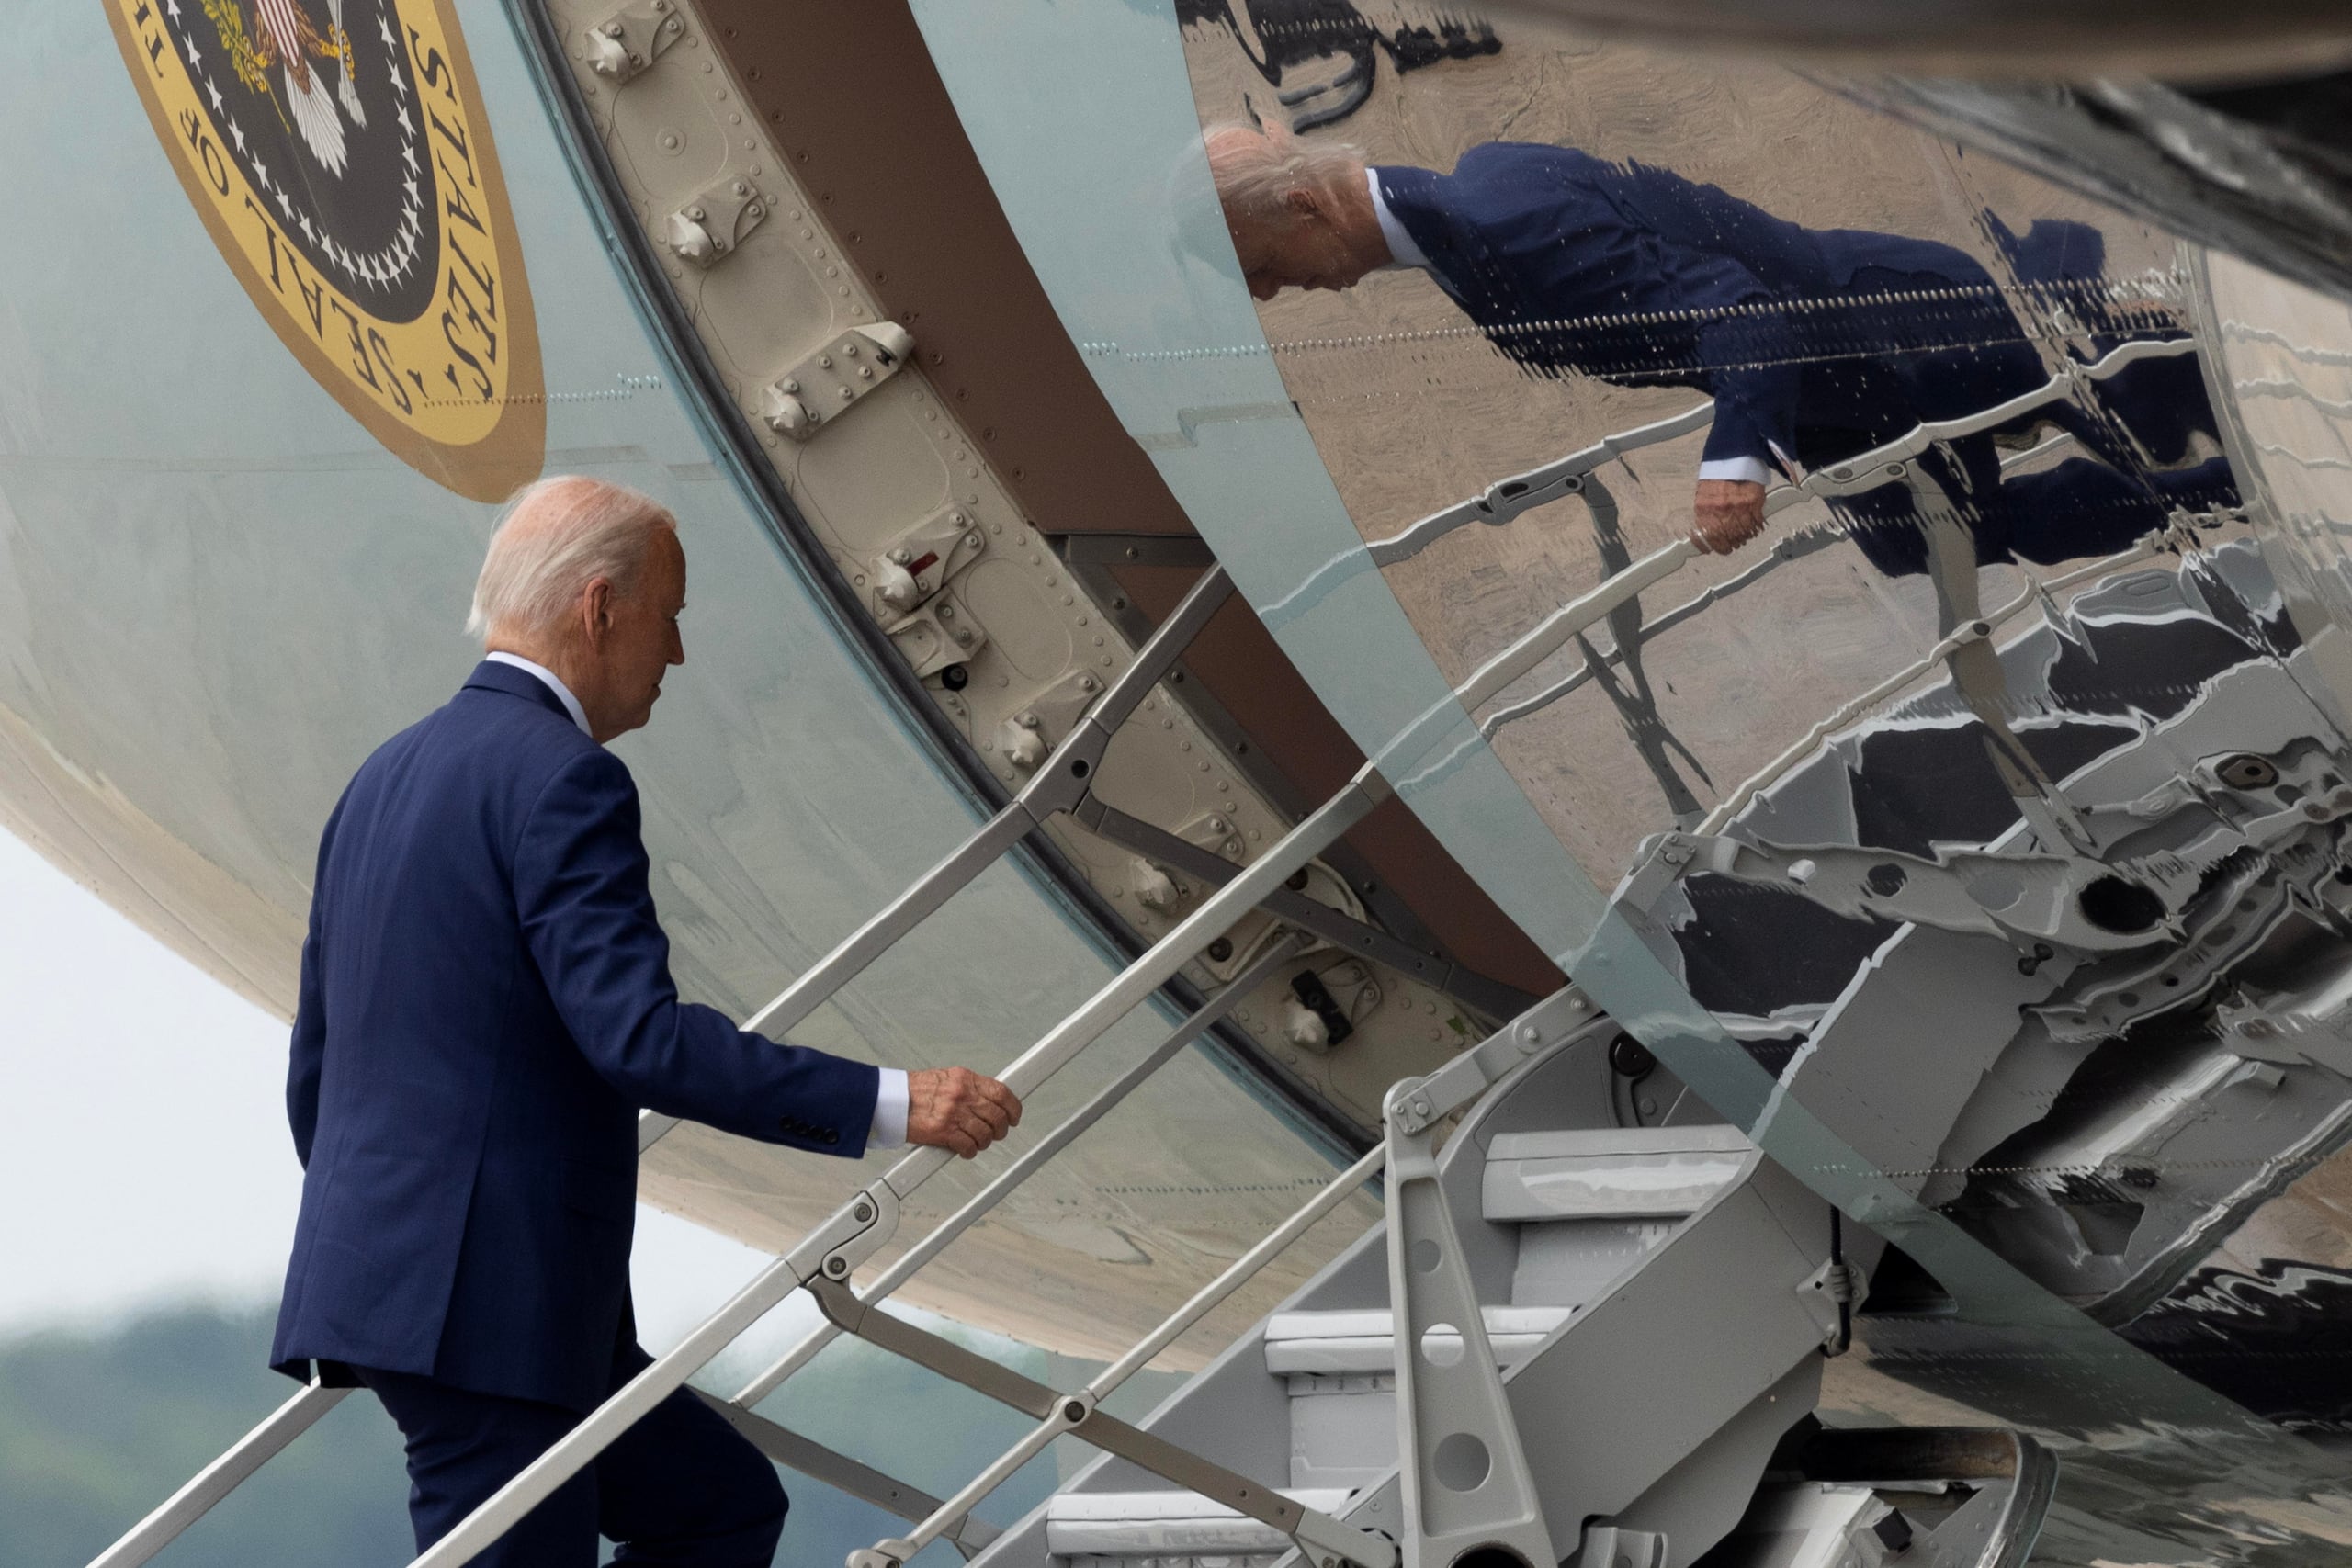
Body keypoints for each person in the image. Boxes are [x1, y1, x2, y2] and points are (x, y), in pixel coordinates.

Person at [269, 476, 1023, 1566]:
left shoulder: (384, 778)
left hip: (409, 1285)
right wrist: (899, 1102)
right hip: (491, 1308)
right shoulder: (563, 779)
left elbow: (319, 1064)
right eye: (670, 615)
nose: (674, 653)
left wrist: (394, 1239)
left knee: (716, 1504)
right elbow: (639, 1040)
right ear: (599, 605)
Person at [1204, 122, 2238, 576]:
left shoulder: (1494, 224)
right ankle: (2207, 453)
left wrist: (1729, 468)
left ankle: (2231, 474)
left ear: (1301, 204)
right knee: (1931, 534)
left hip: (1891, 336)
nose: (1263, 291)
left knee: (2114, 400)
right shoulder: (1468, 203)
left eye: (1254, 260)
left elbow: (1741, 313)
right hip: (1844, 380)